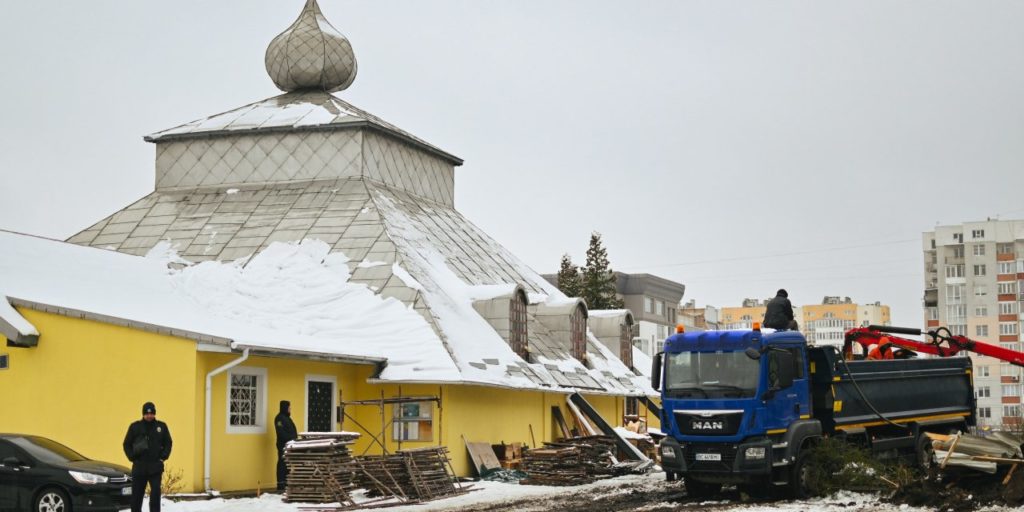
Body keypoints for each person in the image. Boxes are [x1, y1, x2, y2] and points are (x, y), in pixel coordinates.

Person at [123, 402, 172, 512]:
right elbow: (126, 444)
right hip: (139, 467)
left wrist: (162, 458)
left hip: (155, 467)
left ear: (154, 414)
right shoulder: (135, 427)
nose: (149, 416)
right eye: (147, 413)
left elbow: (168, 443)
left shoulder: (161, 426)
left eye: (151, 413)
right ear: (143, 414)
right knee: (136, 496)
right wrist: (132, 457)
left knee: (155, 495)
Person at [274, 400, 298, 491]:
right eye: (289, 407)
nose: (290, 409)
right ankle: (281, 483)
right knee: (282, 463)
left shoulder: (287, 418)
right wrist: (292, 437)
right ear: (285, 408)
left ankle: (286, 482)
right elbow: (281, 432)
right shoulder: (279, 418)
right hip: (283, 445)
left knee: (287, 464)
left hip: (290, 445)